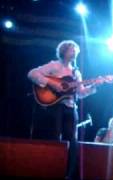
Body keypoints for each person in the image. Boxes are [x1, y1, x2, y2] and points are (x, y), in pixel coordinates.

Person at [28, 40, 103, 178]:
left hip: (70, 107)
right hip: (55, 106)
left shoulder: (76, 72)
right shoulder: (54, 65)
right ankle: (52, 168)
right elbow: (32, 73)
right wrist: (52, 83)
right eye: (71, 49)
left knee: (72, 140)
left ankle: (68, 173)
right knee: (55, 136)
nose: (74, 52)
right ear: (64, 51)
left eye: (75, 50)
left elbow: (80, 93)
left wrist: (93, 86)